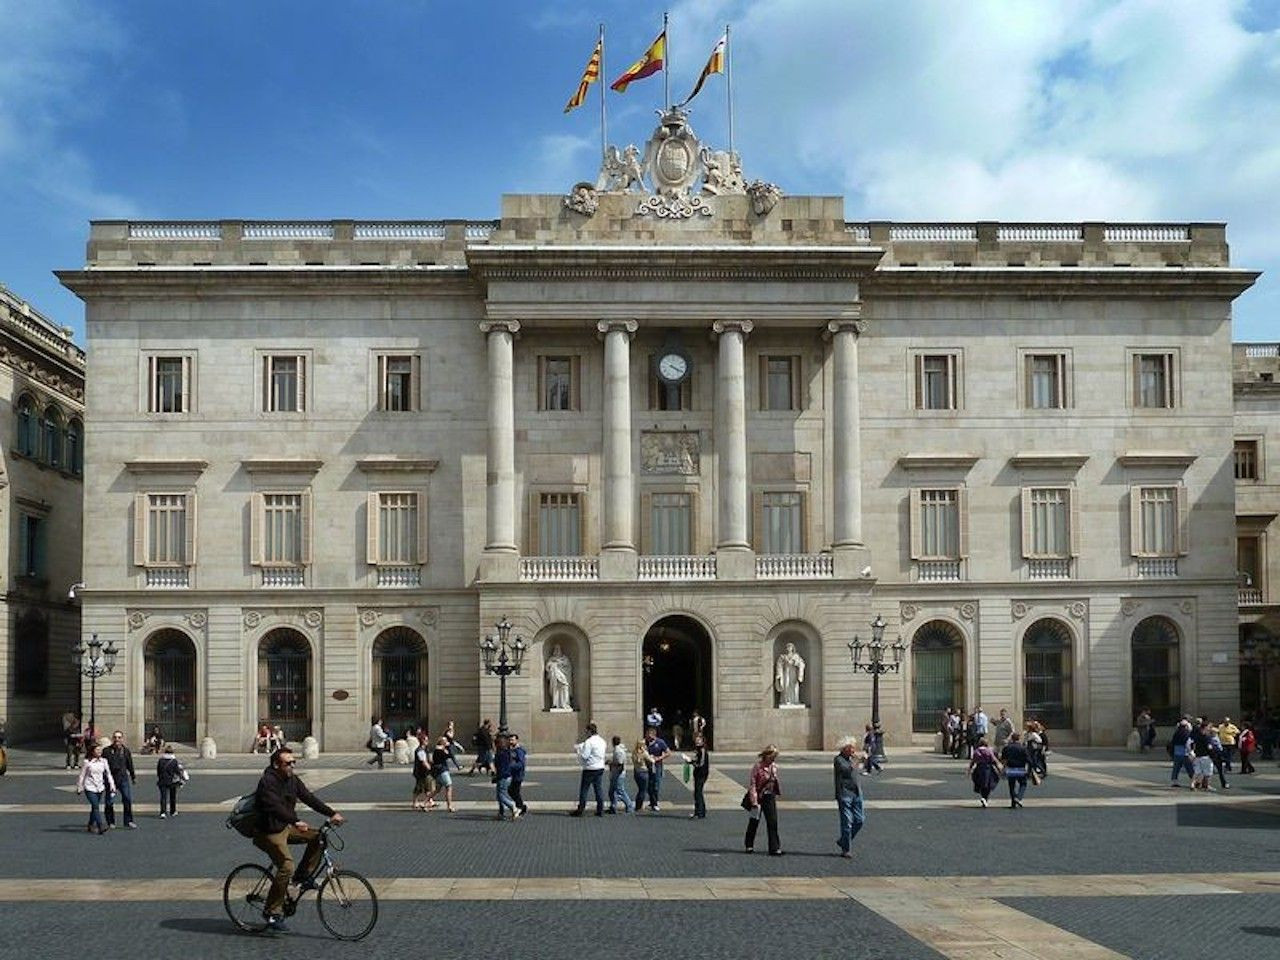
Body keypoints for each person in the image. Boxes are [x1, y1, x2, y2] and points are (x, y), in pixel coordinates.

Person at [252, 746, 345, 933]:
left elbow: (309, 798)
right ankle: (271, 912)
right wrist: (295, 821)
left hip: (285, 826)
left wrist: (331, 812)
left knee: (318, 836)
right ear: (276, 765)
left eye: (294, 762)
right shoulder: (267, 782)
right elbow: (275, 807)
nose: (292, 766)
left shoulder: (292, 780)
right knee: (286, 867)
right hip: (268, 832)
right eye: (288, 763)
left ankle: (303, 876)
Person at [745, 745, 783, 856]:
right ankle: (749, 844)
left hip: (769, 796)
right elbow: (753, 784)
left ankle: (774, 847)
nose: (774, 758)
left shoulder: (774, 766)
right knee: (754, 822)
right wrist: (754, 801)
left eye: (775, 756)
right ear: (766, 755)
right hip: (758, 796)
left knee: (772, 822)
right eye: (772, 756)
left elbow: (774, 781)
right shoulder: (757, 767)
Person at [76, 741, 116, 835]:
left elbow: (108, 774)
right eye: (97, 750)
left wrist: (112, 785)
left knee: (95, 807)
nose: (99, 752)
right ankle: (100, 825)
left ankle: (90, 824)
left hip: (100, 787)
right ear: (92, 751)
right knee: (95, 806)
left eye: (100, 750)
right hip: (89, 787)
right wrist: (79, 786)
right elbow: (82, 775)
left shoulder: (104, 761)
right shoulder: (87, 762)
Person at [833, 737, 864, 859]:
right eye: (852, 747)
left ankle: (843, 840)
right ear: (845, 748)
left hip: (856, 792)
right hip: (844, 794)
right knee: (847, 823)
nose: (854, 750)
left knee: (860, 820)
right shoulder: (838, 759)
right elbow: (846, 770)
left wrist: (865, 760)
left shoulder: (853, 758)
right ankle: (846, 849)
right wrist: (857, 761)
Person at [103, 730, 138, 829]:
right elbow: (102, 766)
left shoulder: (126, 751)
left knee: (127, 799)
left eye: (119, 737)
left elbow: (130, 764)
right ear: (112, 739)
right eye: (115, 737)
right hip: (111, 780)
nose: (117, 739)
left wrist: (133, 776)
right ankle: (110, 821)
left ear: (122, 739)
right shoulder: (106, 751)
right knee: (109, 802)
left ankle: (128, 821)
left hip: (123, 779)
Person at [570, 722, 607, 817]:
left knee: (584, 790)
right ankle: (600, 809)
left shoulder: (589, 742)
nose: (586, 733)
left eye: (587, 731)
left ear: (590, 731)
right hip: (600, 767)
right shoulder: (602, 741)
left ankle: (581, 810)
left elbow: (585, 756)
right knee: (598, 789)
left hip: (590, 768)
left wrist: (579, 751)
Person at [644, 726, 671, 812]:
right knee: (649, 785)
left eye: (649, 735)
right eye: (647, 735)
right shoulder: (644, 742)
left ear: (653, 735)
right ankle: (652, 801)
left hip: (657, 766)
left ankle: (655, 803)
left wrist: (659, 758)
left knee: (656, 785)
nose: (648, 737)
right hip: (647, 766)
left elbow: (668, 752)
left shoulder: (660, 742)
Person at [1000, 732, 1030, 809]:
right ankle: (1019, 797)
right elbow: (1028, 760)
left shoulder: (1007, 747)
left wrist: (1004, 767)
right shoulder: (1023, 748)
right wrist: (1030, 769)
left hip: (1011, 768)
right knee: (1023, 784)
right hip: (1021, 768)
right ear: (1019, 739)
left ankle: (1013, 802)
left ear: (1012, 738)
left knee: (1011, 786)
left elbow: (1003, 759)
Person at [683, 734, 710, 818]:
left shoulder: (702, 750)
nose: (697, 742)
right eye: (696, 740)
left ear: (702, 741)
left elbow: (700, 763)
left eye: (699, 740)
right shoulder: (698, 750)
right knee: (697, 793)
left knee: (698, 793)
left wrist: (691, 761)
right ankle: (700, 811)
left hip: (701, 773)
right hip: (698, 773)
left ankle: (700, 812)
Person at [493, 733, 519, 820]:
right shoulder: (507, 752)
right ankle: (501, 813)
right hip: (507, 776)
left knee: (500, 796)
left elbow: (501, 768)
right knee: (501, 794)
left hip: (503, 776)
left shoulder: (500, 754)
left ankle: (513, 807)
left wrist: (497, 776)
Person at [969, 737, 1000, 807]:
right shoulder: (989, 751)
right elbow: (993, 760)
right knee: (989, 783)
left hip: (979, 768)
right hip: (988, 768)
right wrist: (999, 769)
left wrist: (969, 770)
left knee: (980, 783)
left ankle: (983, 797)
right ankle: (985, 798)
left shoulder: (976, 751)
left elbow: (973, 761)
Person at [607, 735, 634, 814]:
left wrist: (611, 763)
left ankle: (629, 806)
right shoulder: (617, 749)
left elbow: (620, 764)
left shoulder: (619, 751)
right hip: (615, 773)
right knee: (612, 791)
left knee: (620, 791)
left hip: (618, 774)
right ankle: (613, 806)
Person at [156, 743, 183, 818]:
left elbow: (158, 770)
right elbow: (177, 771)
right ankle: (173, 811)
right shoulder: (174, 761)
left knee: (163, 797)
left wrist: (160, 777)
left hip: (162, 780)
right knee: (172, 797)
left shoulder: (161, 760)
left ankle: (163, 812)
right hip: (172, 781)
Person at [1169, 718, 1195, 786]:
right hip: (1185, 752)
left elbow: (1172, 742)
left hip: (1177, 752)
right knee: (1189, 768)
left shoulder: (1176, 733)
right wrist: (1191, 752)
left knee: (1176, 768)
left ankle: (1174, 781)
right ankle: (1193, 781)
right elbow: (1188, 743)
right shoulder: (1187, 733)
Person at [508, 732, 529, 816]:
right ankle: (521, 806)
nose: (510, 741)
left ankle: (521, 807)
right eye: (510, 740)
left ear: (517, 740)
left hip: (518, 774)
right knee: (513, 791)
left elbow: (521, 764)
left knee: (514, 791)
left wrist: (511, 766)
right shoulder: (511, 750)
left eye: (512, 740)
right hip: (513, 774)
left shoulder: (519, 751)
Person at [411, 737, 433, 810]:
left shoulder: (425, 750)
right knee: (419, 787)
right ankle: (415, 802)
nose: (427, 741)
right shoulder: (420, 750)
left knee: (427, 786)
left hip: (423, 772)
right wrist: (429, 768)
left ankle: (430, 801)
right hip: (421, 772)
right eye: (426, 740)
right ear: (422, 741)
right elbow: (423, 761)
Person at [632, 738, 653, 809]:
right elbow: (652, 761)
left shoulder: (634, 752)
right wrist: (651, 757)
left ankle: (637, 805)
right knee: (643, 790)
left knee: (640, 789)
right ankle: (639, 806)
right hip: (643, 772)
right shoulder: (644, 753)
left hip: (636, 772)